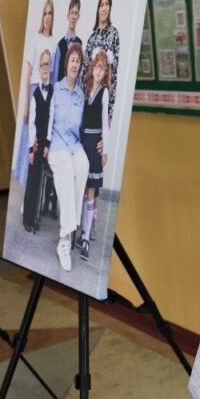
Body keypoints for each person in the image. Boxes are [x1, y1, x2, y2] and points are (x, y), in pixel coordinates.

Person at [47, 42, 90, 272]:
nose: (75, 64)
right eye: (72, 60)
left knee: (83, 165)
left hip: (73, 145)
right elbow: (48, 121)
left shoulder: (81, 96)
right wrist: (44, 144)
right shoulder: (55, 90)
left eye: (78, 61)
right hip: (56, 145)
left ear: (80, 66)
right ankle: (65, 239)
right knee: (66, 169)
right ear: (66, 64)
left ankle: (67, 228)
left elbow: (81, 127)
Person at [13, 0, 56, 185]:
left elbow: (51, 74)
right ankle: (24, 183)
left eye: (50, 13)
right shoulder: (35, 39)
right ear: (42, 16)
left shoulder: (54, 43)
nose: (47, 16)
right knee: (28, 140)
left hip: (45, 94)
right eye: (45, 13)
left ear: (53, 16)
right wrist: (25, 106)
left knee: (40, 137)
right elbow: (29, 73)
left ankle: (35, 183)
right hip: (33, 90)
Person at [76, 47, 113, 259]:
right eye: (97, 67)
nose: (99, 71)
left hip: (95, 144)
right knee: (83, 189)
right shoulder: (85, 88)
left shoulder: (104, 93)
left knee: (91, 190)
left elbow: (105, 125)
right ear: (92, 68)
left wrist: (105, 151)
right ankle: (82, 229)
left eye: (103, 68)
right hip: (83, 142)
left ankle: (86, 239)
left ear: (106, 71)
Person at [22, 49, 54, 234]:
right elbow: (32, 124)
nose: (45, 67)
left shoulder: (52, 92)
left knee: (42, 179)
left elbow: (51, 118)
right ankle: (28, 219)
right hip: (35, 143)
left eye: (47, 64)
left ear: (50, 67)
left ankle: (36, 218)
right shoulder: (35, 94)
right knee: (33, 180)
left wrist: (47, 144)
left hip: (46, 143)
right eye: (42, 64)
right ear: (39, 68)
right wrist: (31, 149)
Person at [84, 0, 119, 123]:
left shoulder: (114, 34)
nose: (104, 8)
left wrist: (110, 112)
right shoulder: (91, 38)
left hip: (103, 102)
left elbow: (114, 74)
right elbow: (85, 73)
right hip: (89, 102)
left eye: (107, 4)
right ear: (98, 8)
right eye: (101, 5)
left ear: (110, 7)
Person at [55, 0, 82, 83]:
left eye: (76, 13)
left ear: (78, 17)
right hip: (61, 87)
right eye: (72, 12)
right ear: (68, 15)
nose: (73, 17)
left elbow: (79, 72)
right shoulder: (60, 44)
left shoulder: (79, 43)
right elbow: (56, 73)